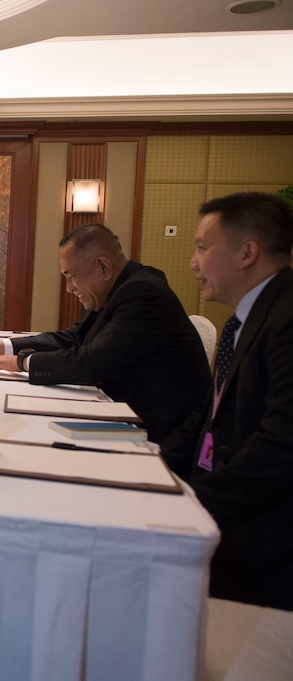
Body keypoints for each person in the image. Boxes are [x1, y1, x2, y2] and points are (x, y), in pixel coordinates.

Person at [161, 192, 293, 611]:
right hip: (224, 500)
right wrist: (158, 466)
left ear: (247, 252)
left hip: (262, 536)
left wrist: (195, 502)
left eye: (202, 247)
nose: (193, 262)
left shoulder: (287, 320)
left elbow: (281, 444)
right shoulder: (246, 318)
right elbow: (212, 413)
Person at [0, 223, 210, 448]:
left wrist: (21, 363)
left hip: (158, 436)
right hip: (123, 413)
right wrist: (2, 346)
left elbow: (90, 362)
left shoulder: (143, 294)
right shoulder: (115, 290)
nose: (69, 288)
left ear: (104, 268)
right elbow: (73, 339)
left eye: (71, 276)